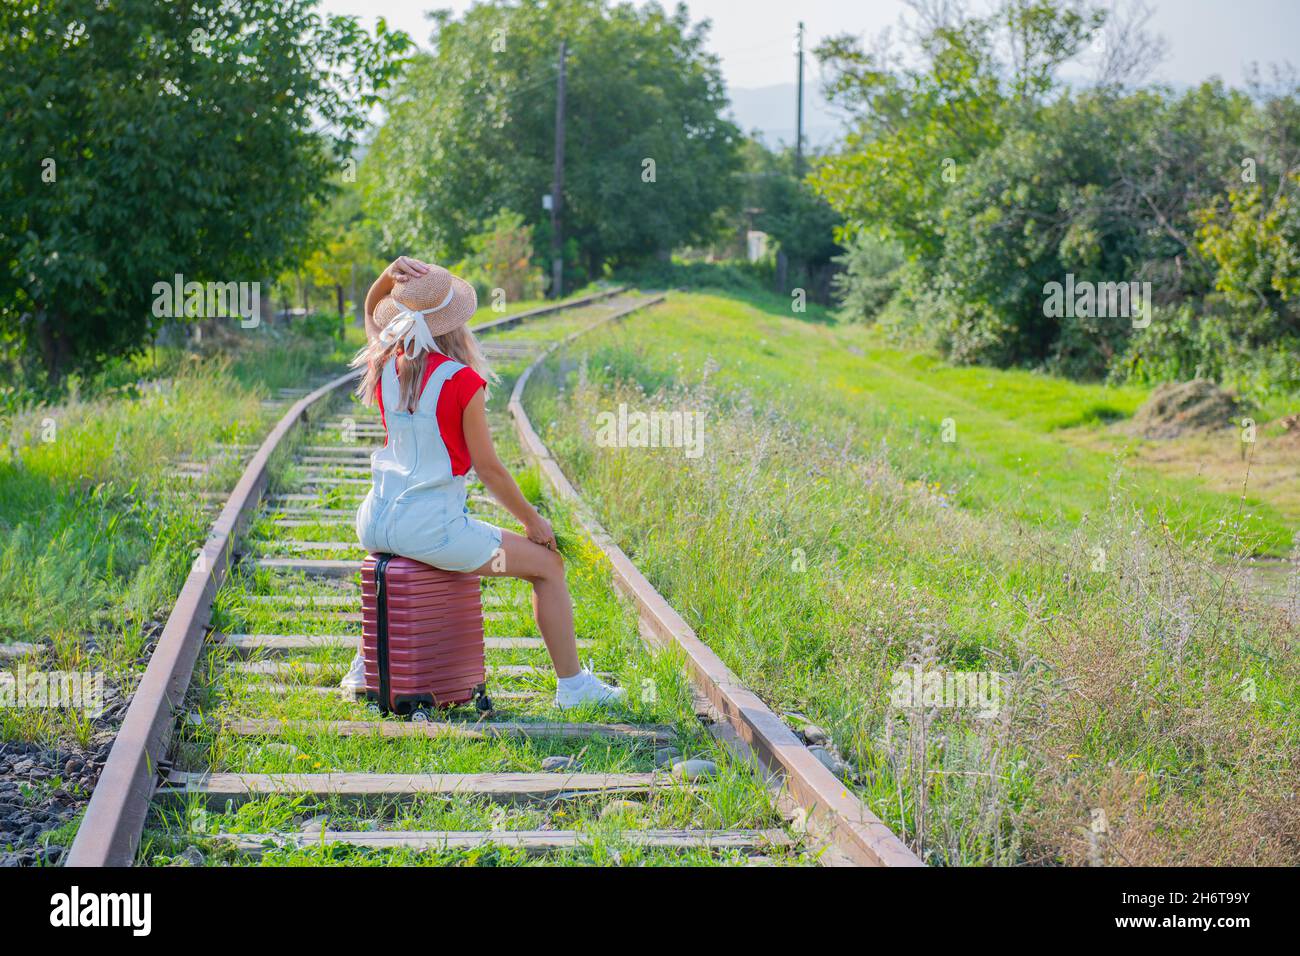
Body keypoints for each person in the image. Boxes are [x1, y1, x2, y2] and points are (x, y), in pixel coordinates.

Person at [338, 256, 624, 708]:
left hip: (375, 522)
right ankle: (573, 688)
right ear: (456, 322)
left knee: (390, 567)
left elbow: (370, 311)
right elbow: (489, 469)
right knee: (548, 567)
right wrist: (534, 524)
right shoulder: (463, 382)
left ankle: (365, 666)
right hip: (431, 530)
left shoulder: (384, 362)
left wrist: (387, 276)